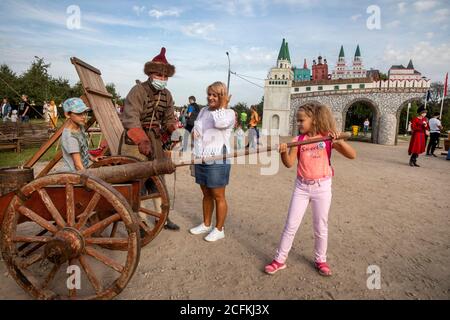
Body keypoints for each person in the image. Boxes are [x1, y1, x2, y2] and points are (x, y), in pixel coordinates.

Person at [264, 102, 356, 277]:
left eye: (301, 121)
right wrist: (283, 152)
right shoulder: (298, 141)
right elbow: (289, 164)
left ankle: (321, 260)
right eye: (297, 121)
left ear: (314, 120)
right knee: (290, 225)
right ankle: (279, 260)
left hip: (322, 187)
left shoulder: (328, 137)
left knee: (320, 226)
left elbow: (352, 155)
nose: (298, 124)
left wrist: (339, 142)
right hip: (302, 187)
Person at [121, 47, 180, 231]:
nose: (162, 79)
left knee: (159, 179)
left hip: (155, 139)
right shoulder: (137, 91)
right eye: (158, 75)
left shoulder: (167, 95)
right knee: (137, 181)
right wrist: (141, 140)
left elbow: (169, 117)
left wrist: (173, 130)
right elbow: (130, 118)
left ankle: (163, 217)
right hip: (134, 140)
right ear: (150, 73)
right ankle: (140, 221)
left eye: (165, 76)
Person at [189, 82, 235, 242]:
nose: (210, 97)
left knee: (218, 195)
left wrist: (222, 105)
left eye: (215, 95)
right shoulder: (203, 110)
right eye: (209, 94)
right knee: (206, 193)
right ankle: (206, 223)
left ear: (222, 96)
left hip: (217, 156)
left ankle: (219, 229)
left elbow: (220, 124)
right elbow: (197, 129)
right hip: (201, 156)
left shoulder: (229, 113)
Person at [60, 98, 101, 172]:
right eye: (79, 113)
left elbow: (83, 149)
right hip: (75, 174)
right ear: (67, 114)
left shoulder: (80, 127)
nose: (84, 117)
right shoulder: (70, 137)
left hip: (83, 169)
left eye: (84, 113)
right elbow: (78, 166)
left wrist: (92, 158)